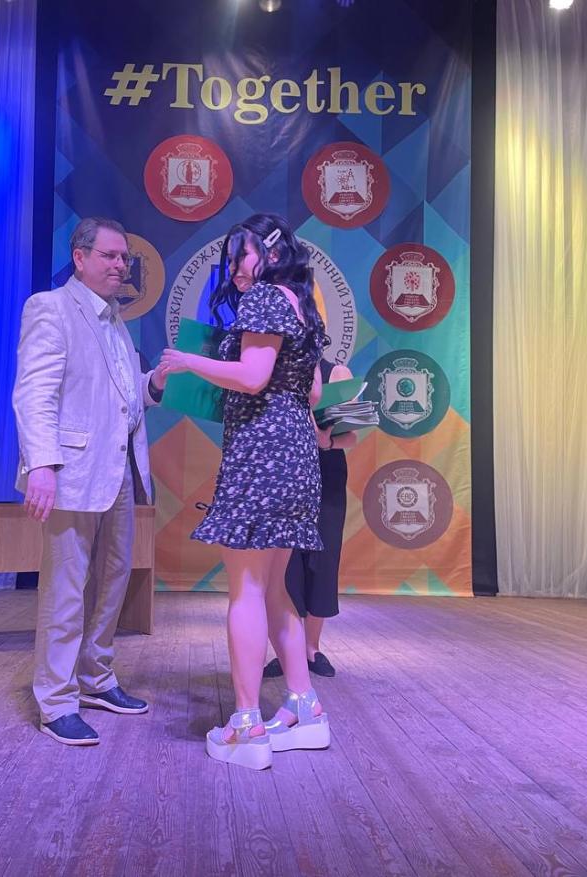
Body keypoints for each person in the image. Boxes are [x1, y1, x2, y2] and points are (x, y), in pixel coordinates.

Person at [158, 213, 330, 770]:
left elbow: (254, 377)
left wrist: (189, 361)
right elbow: (313, 391)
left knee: (247, 591)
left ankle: (247, 726)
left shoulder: (263, 299)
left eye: (243, 254)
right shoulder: (301, 303)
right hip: (296, 452)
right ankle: (304, 709)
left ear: (272, 254)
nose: (234, 266)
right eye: (231, 256)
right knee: (273, 589)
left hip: (261, 453)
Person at [13, 217, 165, 746]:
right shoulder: (50, 308)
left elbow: (121, 397)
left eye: (124, 257)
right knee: (66, 588)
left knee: (113, 578)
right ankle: (56, 701)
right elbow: (34, 393)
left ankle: (96, 678)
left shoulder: (116, 321)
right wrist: (42, 465)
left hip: (118, 470)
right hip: (71, 473)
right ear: (79, 258)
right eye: (110, 255)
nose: (121, 265)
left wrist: (154, 383)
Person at [264, 359, 358, 681]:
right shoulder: (273, 369)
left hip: (326, 475)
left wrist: (326, 442)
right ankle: (285, 649)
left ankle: (311, 648)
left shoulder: (337, 373)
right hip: (285, 474)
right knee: (285, 564)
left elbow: (351, 436)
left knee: (323, 559)